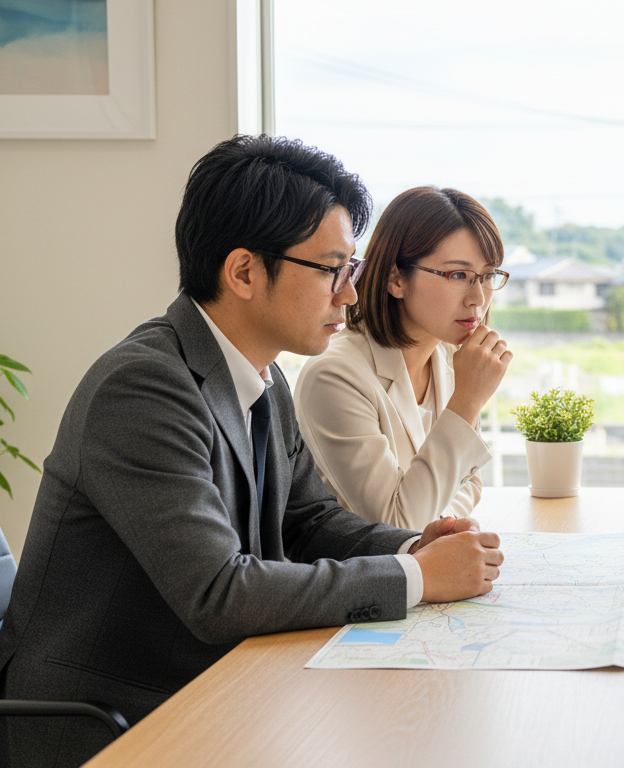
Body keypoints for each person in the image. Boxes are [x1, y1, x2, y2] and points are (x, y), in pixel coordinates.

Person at [0, 136, 504, 768]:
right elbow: (219, 592)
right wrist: (422, 578)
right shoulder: (143, 387)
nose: (349, 295)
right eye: (331, 270)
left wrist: (411, 547)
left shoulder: (261, 376)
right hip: (111, 723)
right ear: (242, 272)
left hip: (215, 691)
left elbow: (309, 521)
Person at [295, 187, 511, 529]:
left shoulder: (451, 356)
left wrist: (441, 524)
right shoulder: (334, 376)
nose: (478, 299)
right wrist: (467, 401)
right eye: (458, 275)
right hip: (368, 577)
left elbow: (470, 481)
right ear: (396, 278)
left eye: (487, 276)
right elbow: (395, 524)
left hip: (432, 568)